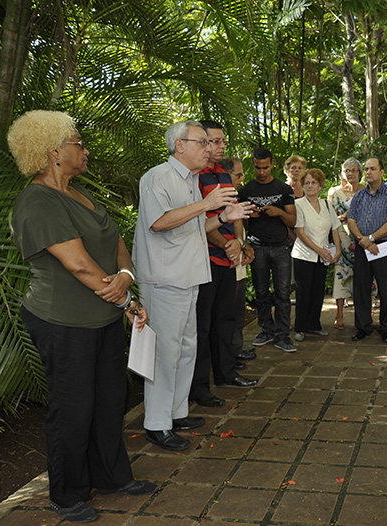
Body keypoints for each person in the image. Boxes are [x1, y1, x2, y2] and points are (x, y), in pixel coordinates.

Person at [8, 110, 156, 523]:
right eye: (78, 143)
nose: (84, 150)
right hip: (62, 321)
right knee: (73, 408)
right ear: (53, 152)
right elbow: (79, 265)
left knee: (110, 401)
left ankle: (111, 477)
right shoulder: (36, 200)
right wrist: (124, 298)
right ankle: (67, 492)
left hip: (103, 316)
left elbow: (116, 241)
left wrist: (126, 277)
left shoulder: (79, 193)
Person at [133, 120, 253, 453]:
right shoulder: (158, 176)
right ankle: (157, 425)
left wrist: (227, 216)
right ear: (179, 145)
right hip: (165, 278)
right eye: (202, 142)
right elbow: (159, 222)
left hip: (189, 276)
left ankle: (175, 412)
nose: (209, 148)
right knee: (165, 353)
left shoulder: (190, 179)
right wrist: (208, 202)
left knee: (186, 348)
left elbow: (197, 225)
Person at [190, 121, 257, 409]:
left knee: (226, 319)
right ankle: (199, 387)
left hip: (229, 258)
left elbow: (236, 214)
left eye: (222, 142)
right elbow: (198, 222)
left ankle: (226, 374)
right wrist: (225, 245)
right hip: (205, 259)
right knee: (202, 326)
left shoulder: (223, 174)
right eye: (214, 141)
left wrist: (240, 245)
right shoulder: (194, 176)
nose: (220, 147)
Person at [239, 147, 298, 352]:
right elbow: (239, 221)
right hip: (257, 247)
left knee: (283, 293)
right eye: (257, 168)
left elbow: (293, 219)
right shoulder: (245, 191)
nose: (262, 172)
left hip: (281, 247)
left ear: (272, 165)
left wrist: (279, 211)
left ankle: (283, 335)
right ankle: (266, 330)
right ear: (253, 166)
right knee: (261, 292)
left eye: (265, 168)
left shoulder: (283, 189)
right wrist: (249, 215)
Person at [347, 157, 387, 342]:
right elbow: (351, 220)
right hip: (363, 246)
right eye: (366, 169)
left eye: (372, 169)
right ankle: (363, 327)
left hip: (385, 247)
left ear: (381, 172)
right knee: (361, 288)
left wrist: (371, 239)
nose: (368, 172)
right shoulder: (359, 196)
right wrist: (363, 241)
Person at [291, 169, 342, 341]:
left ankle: (314, 325)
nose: (310, 186)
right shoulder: (299, 204)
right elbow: (300, 232)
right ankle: (300, 327)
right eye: (307, 183)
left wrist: (338, 250)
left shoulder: (327, 204)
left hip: (323, 256)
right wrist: (319, 250)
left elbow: (335, 228)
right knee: (303, 292)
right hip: (303, 255)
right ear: (302, 186)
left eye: (314, 183)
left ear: (320, 186)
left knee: (318, 291)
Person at [220, 157, 257, 362]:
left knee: (238, 308)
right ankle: (228, 355)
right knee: (227, 312)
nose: (242, 179)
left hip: (239, 260)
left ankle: (236, 348)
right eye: (239, 175)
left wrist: (245, 246)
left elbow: (239, 227)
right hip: (227, 260)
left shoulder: (235, 196)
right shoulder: (218, 197)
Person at [328, 158, 364, 330]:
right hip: (343, 238)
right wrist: (343, 218)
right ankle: (340, 314)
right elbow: (332, 221)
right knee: (341, 274)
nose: (350, 174)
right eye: (347, 171)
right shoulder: (337, 194)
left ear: (360, 172)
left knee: (365, 277)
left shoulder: (367, 191)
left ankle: (363, 316)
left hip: (364, 238)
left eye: (354, 170)